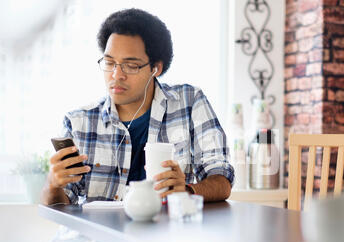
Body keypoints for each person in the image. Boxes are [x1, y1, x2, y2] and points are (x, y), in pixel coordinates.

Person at [41, 8, 234, 205]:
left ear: (156, 68)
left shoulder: (190, 102)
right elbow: (60, 205)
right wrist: (53, 184)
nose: (116, 75)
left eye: (131, 66)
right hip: (98, 235)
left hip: (168, 233)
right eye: (109, 63)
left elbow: (221, 179)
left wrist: (186, 190)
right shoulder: (79, 122)